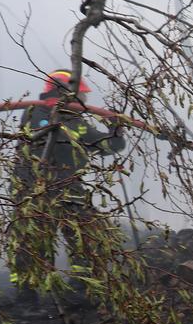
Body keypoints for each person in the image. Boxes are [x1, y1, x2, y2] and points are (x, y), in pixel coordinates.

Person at [7, 70, 126, 305]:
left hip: (69, 187)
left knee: (84, 235)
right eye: (81, 96)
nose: (85, 102)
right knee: (32, 240)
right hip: (33, 188)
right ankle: (26, 292)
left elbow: (105, 145)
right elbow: (45, 137)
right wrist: (63, 118)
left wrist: (115, 132)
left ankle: (81, 287)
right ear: (63, 93)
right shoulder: (35, 112)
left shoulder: (77, 121)